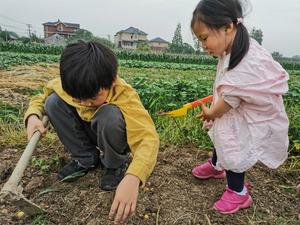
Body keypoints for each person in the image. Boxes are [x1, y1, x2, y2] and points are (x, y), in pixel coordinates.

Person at [24, 41, 159, 224]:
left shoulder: (125, 96)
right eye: (78, 98)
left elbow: (147, 138)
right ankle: (85, 158)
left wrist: (134, 177)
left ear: (111, 82)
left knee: (109, 114)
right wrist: (33, 115)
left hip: (113, 135)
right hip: (88, 129)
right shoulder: (70, 84)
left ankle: (114, 165)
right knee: (52, 102)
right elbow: (42, 97)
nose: (86, 103)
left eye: (93, 97)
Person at [190, 0, 289, 214]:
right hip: (235, 110)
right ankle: (217, 166)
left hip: (243, 114)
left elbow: (230, 101)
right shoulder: (234, 47)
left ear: (228, 27)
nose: (203, 45)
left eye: (204, 38)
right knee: (221, 135)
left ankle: (238, 192)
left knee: (232, 144)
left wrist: (211, 112)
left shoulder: (246, 60)